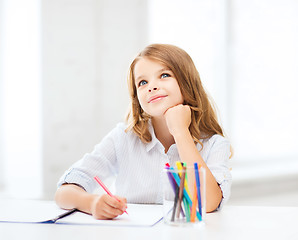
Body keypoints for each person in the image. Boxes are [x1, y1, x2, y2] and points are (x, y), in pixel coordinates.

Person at [55, 43, 232, 220]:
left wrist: (180, 132)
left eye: (164, 75)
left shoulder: (214, 144)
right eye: (143, 82)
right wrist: (92, 203)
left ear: (187, 83)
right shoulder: (123, 137)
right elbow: (64, 193)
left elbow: (208, 203)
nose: (152, 87)